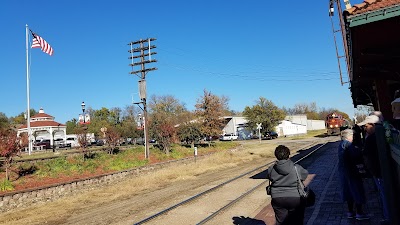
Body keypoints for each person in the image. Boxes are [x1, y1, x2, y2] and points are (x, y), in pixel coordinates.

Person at [358, 115, 389, 224]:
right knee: (384, 194)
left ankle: (388, 217)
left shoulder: (371, 138)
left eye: (366, 126)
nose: (364, 128)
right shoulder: (377, 136)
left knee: (384, 195)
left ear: (373, 125)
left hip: (378, 172)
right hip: (378, 171)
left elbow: (366, 154)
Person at [266, 145, 308, 225]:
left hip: (277, 198)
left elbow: (270, 177)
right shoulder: (296, 168)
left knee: (281, 222)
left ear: (276, 156)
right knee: (297, 221)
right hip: (295, 198)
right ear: (288, 155)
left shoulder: (271, 169)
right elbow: (304, 175)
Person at [337, 129, 369, 220]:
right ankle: (359, 213)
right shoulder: (348, 144)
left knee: (348, 192)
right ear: (348, 136)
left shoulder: (341, 144)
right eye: (352, 135)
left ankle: (350, 212)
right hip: (352, 172)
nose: (353, 137)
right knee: (356, 190)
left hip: (344, 172)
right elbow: (356, 155)